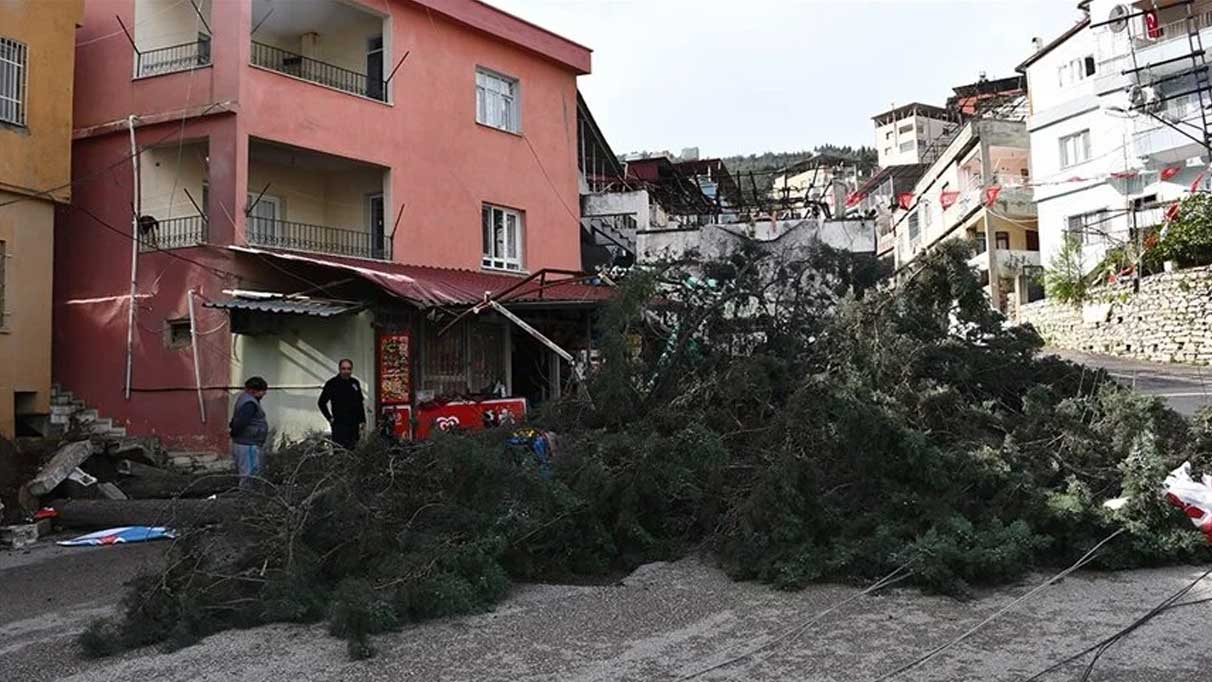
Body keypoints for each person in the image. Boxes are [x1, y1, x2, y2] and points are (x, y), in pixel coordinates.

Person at [229, 376, 269, 490]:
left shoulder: (245, 399)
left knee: (248, 473)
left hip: (245, 443)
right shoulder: (249, 404)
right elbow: (240, 423)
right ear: (253, 390)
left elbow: (236, 421)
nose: (264, 394)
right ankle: (248, 500)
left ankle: (249, 497)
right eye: (262, 391)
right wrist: (235, 433)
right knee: (251, 474)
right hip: (248, 444)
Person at [318, 359, 366, 449]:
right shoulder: (332, 384)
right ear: (339, 369)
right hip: (339, 425)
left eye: (349, 369)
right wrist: (330, 418)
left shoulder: (354, 383)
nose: (346, 371)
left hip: (354, 425)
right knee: (340, 452)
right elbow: (321, 403)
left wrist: (363, 421)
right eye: (344, 369)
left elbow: (360, 403)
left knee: (354, 452)